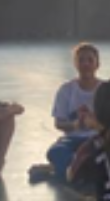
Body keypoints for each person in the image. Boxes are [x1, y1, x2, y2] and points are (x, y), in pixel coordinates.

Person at [28, 43, 102, 184]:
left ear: (97, 64)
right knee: (56, 152)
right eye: (81, 60)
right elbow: (59, 123)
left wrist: (94, 124)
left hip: (97, 138)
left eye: (90, 60)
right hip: (72, 140)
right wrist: (75, 125)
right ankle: (81, 169)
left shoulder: (105, 89)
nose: (85, 64)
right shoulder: (66, 90)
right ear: (75, 64)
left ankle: (57, 170)